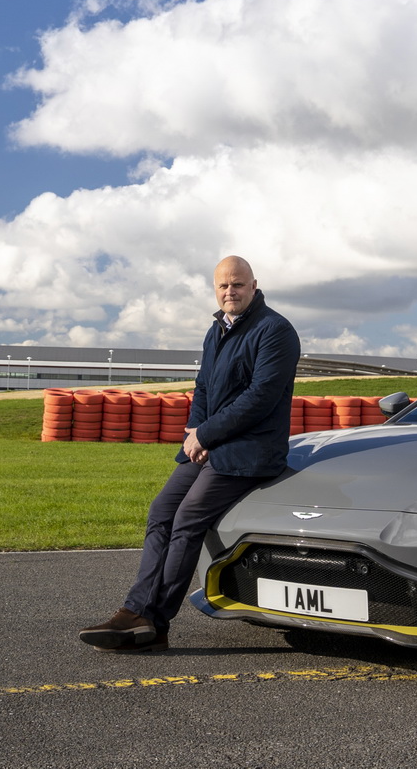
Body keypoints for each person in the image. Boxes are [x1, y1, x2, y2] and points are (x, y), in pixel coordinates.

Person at [78, 255, 300, 652]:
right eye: (223, 286)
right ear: (215, 290)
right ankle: (137, 612)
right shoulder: (216, 331)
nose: (230, 291)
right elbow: (203, 389)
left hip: (248, 452)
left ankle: (152, 619)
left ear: (253, 285)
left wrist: (208, 435)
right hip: (210, 446)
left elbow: (260, 398)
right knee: (160, 512)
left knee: (187, 519)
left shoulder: (276, 331)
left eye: (237, 284)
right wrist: (194, 433)